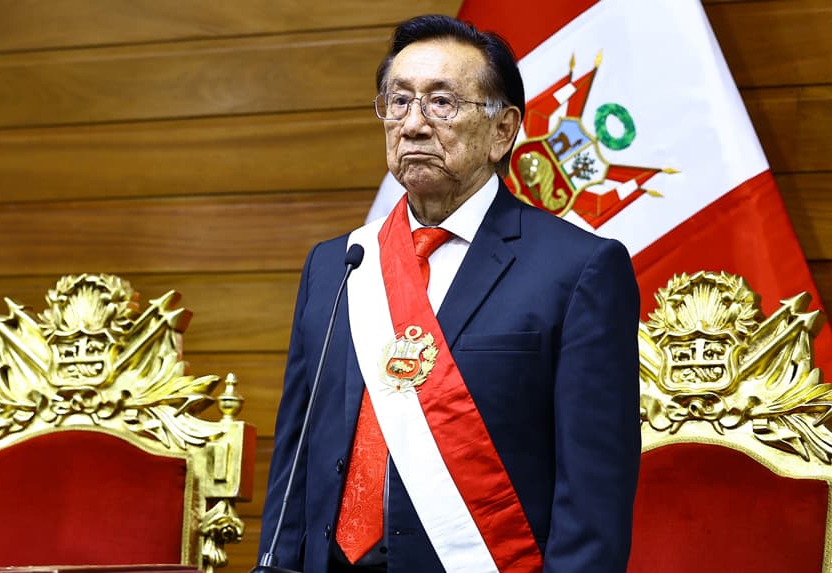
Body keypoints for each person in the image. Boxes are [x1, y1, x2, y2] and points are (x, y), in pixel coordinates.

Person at [259, 14, 640, 573]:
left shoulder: (578, 269)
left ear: (502, 131)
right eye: (398, 102)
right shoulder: (337, 263)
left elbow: (592, 494)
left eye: (442, 103)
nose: (413, 124)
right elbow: (296, 456)